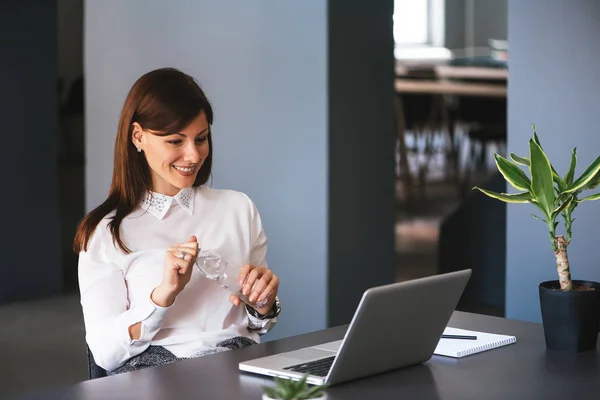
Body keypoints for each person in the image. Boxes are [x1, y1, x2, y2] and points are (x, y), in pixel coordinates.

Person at [73, 68, 281, 375]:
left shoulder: (238, 208)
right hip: (157, 379)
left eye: (201, 138)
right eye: (175, 141)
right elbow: (105, 353)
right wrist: (163, 295)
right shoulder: (105, 233)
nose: (193, 156)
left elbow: (256, 324)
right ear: (138, 136)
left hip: (239, 370)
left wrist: (263, 303)